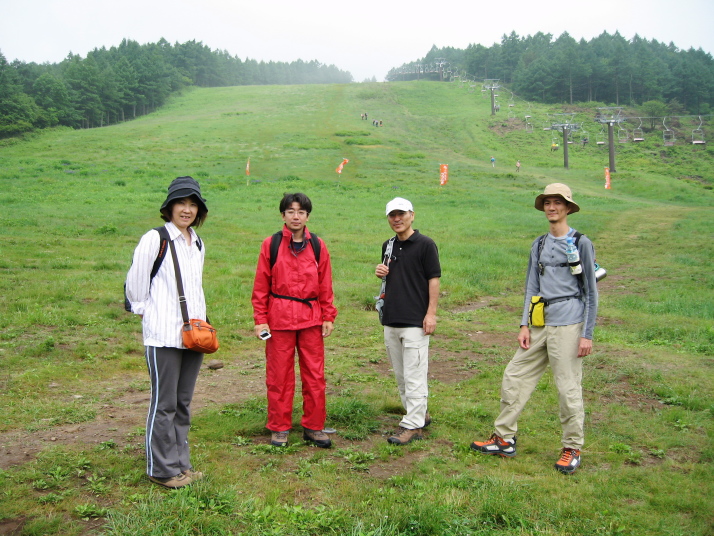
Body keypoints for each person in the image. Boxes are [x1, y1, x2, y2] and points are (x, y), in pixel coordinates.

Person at [470, 183, 598, 475]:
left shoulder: (581, 242)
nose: (552, 208)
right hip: (540, 323)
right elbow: (531, 286)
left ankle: (572, 448)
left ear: (567, 208)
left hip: (569, 322)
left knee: (567, 387)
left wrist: (586, 333)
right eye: (548, 203)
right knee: (514, 375)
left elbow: (591, 291)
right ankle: (504, 438)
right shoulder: (539, 244)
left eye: (558, 203)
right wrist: (524, 324)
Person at [125, 176, 210, 489]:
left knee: (183, 402)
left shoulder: (196, 242)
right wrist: (146, 310)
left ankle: (181, 465)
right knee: (164, 404)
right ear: (170, 207)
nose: (186, 210)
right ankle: (161, 469)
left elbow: (195, 287)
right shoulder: (155, 238)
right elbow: (136, 281)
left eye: (192, 205)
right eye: (181, 203)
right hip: (163, 336)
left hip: (193, 336)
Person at [252, 193, 338, 448]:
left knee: (315, 376)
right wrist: (260, 320)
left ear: (307, 216)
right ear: (283, 215)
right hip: (279, 320)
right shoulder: (271, 245)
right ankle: (279, 427)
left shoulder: (318, 246)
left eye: (301, 212)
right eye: (291, 211)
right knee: (279, 376)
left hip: (311, 319)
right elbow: (260, 286)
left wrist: (328, 315)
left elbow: (325, 284)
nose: (296, 216)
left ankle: (314, 426)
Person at [375, 197, 441, 445]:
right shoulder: (388, 246)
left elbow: (433, 280)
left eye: (401, 214)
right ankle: (418, 414)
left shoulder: (425, 245)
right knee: (402, 375)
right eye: (392, 215)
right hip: (391, 319)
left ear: (412, 215)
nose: (397, 219)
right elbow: (390, 276)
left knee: (415, 374)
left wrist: (430, 314)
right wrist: (380, 272)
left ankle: (412, 425)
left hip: (415, 320)